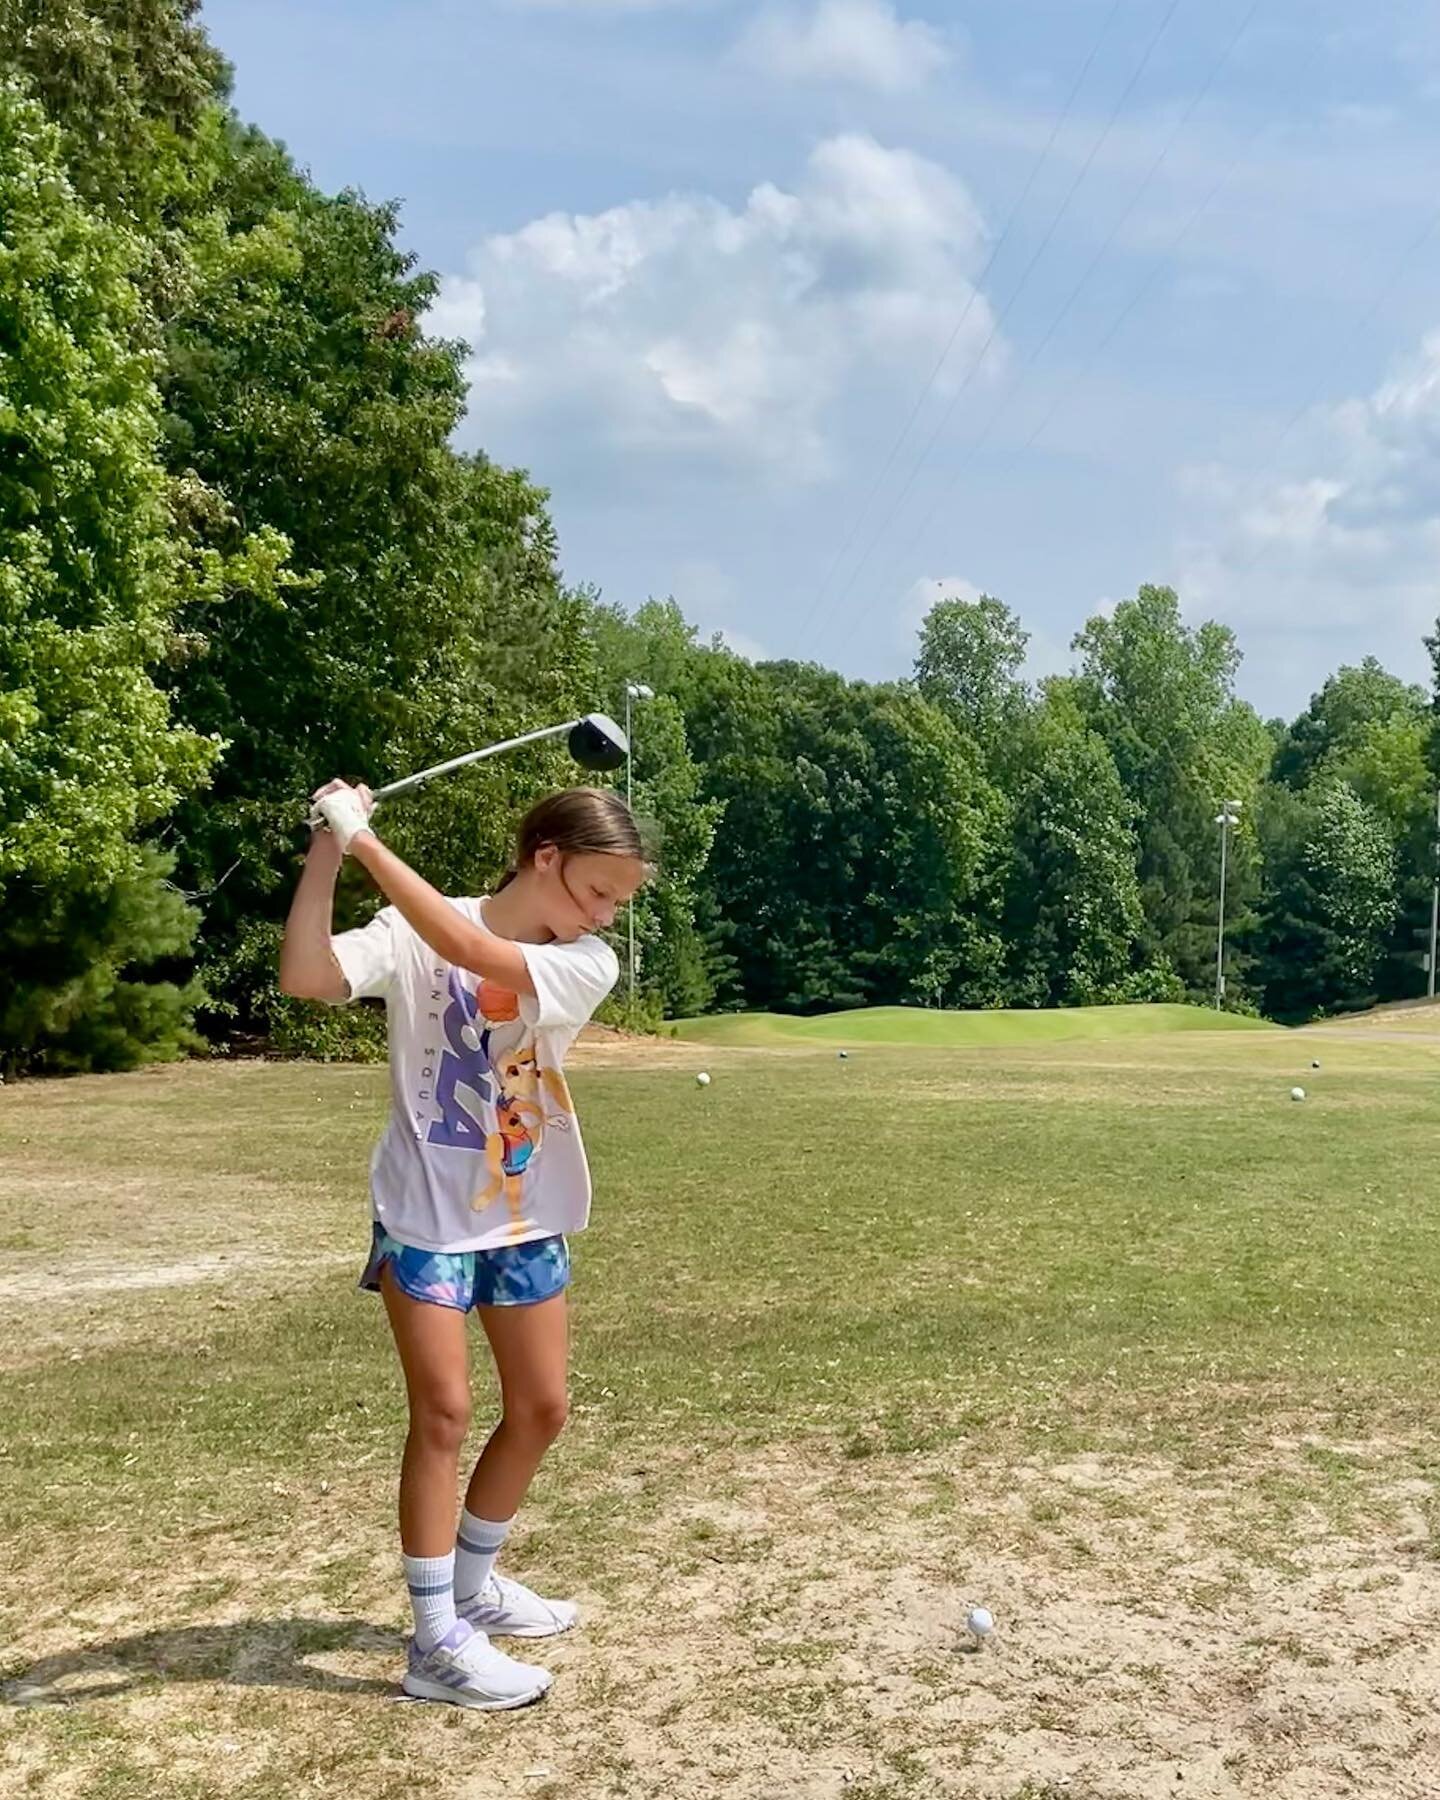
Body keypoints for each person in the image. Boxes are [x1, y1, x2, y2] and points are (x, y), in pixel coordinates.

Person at [280, 778, 649, 1710]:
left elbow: (471, 947)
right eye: (597, 890)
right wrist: (331, 843)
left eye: (616, 902)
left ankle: (476, 1585)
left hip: (524, 1213)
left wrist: (368, 844)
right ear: (547, 858)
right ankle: (435, 1638)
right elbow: (309, 978)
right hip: (425, 1218)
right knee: (443, 1413)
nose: (605, 914)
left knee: (542, 1410)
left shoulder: (583, 962)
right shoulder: (415, 923)